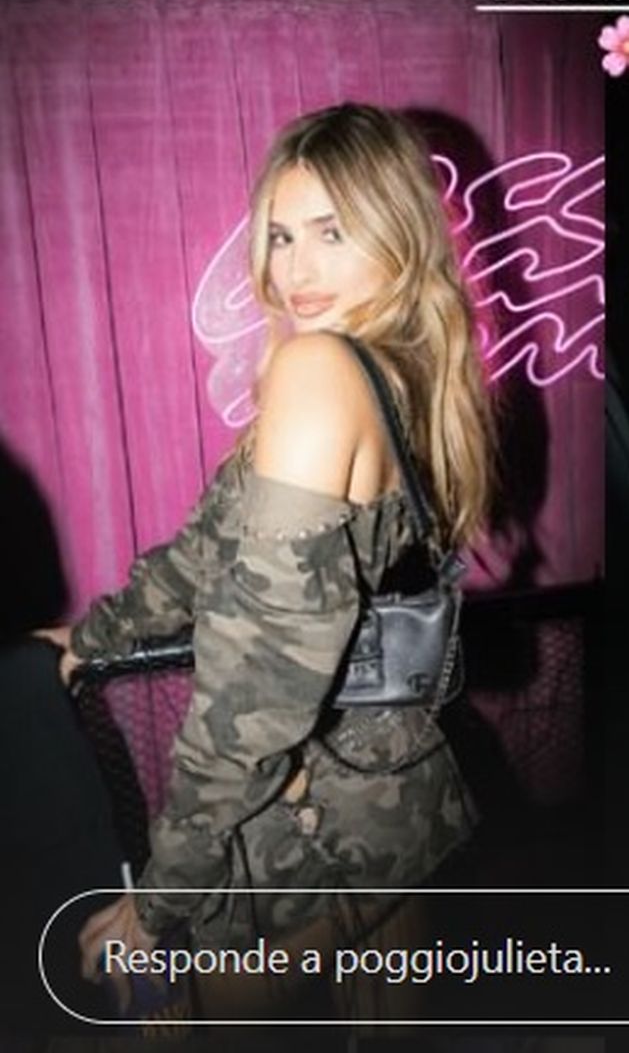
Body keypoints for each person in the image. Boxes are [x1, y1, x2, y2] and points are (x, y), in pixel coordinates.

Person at [34, 103, 493, 1009]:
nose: (296, 268)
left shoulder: (320, 369)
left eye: (332, 230)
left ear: (397, 230)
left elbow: (261, 682)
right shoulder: (409, 368)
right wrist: (95, 634)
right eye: (281, 235)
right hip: (390, 800)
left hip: (316, 823)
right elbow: (209, 549)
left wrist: (160, 899)